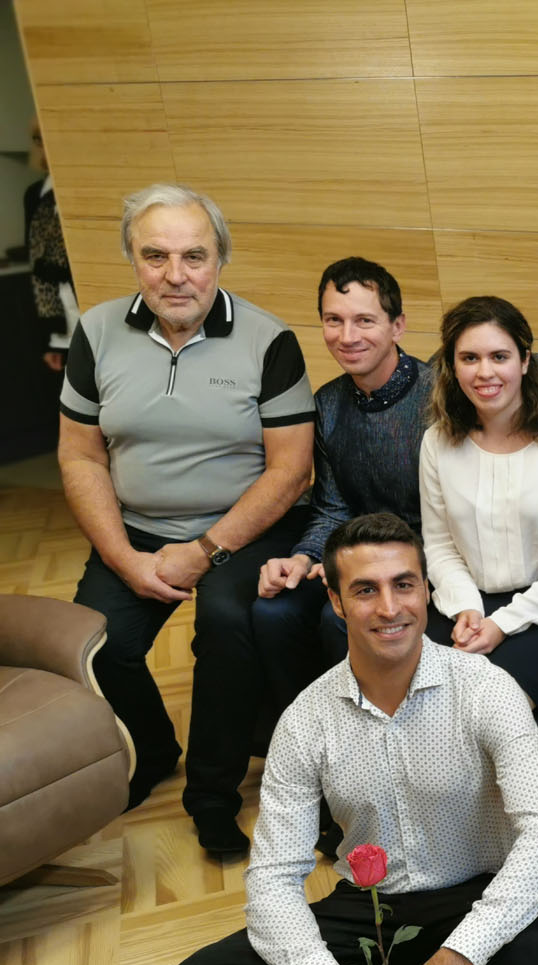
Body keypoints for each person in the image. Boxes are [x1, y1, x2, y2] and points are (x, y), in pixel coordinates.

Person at [161, 513, 538, 965]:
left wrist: (456, 959)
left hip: (467, 896)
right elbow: (275, 876)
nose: (390, 608)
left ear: (427, 591)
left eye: (404, 585)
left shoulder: (486, 690)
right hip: (368, 902)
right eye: (365, 590)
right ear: (333, 601)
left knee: (530, 953)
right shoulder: (305, 721)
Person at [57, 182, 314, 856]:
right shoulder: (96, 331)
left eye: (194, 256)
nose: (176, 275)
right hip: (134, 527)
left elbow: (290, 471)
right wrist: (123, 557)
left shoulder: (270, 340)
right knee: (99, 648)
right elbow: (80, 455)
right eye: (156, 256)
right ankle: (155, 748)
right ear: (133, 262)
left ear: (220, 260)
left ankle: (211, 798)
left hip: (243, 529)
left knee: (226, 627)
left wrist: (203, 550)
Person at [253, 257, 433, 718]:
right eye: (334, 320)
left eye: (364, 321)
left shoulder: (440, 398)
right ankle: (305, 739)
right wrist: (303, 556)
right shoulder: (327, 404)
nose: (347, 336)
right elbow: (331, 507)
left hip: (428, 557)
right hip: (355, 556)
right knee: (273, 612)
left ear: (398, 326)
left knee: (339, 621)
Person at [420, 295, 538, 709]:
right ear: (453, 366)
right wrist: (467, 608)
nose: (485, 372)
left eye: (499, 356)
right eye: (469, 358)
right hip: (464, 598)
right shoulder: (436, 442)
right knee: (422, 699)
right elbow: (439, 545)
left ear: (524, 360)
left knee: (496, 706)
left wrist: (501, 624)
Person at [25, 118, 77, 372]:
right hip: (58, 320)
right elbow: (35, 266)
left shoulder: (81, 188)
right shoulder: (34, 195)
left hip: (89, 305)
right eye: (38, 140)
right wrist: (49, 341)